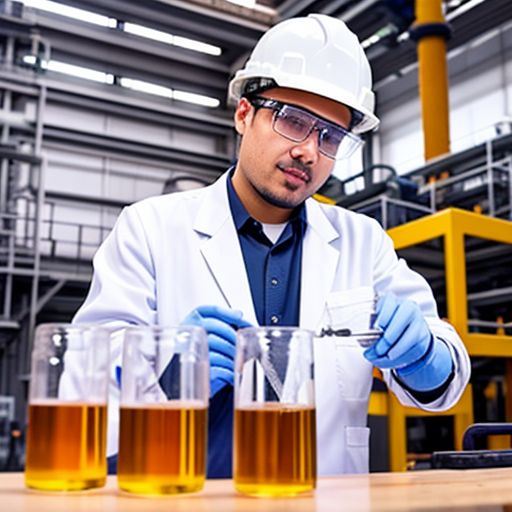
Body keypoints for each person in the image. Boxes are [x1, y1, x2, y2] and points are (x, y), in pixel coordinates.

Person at [73, 14, 471, 477]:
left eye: (330, 136)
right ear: (244, 114)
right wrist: (169, 373)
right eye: (293, 121)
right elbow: (82, 382)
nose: (309, 151)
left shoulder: (364, 242)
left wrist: (423, 354)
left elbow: (444, 382)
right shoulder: (150, 229)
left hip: (327, 502)